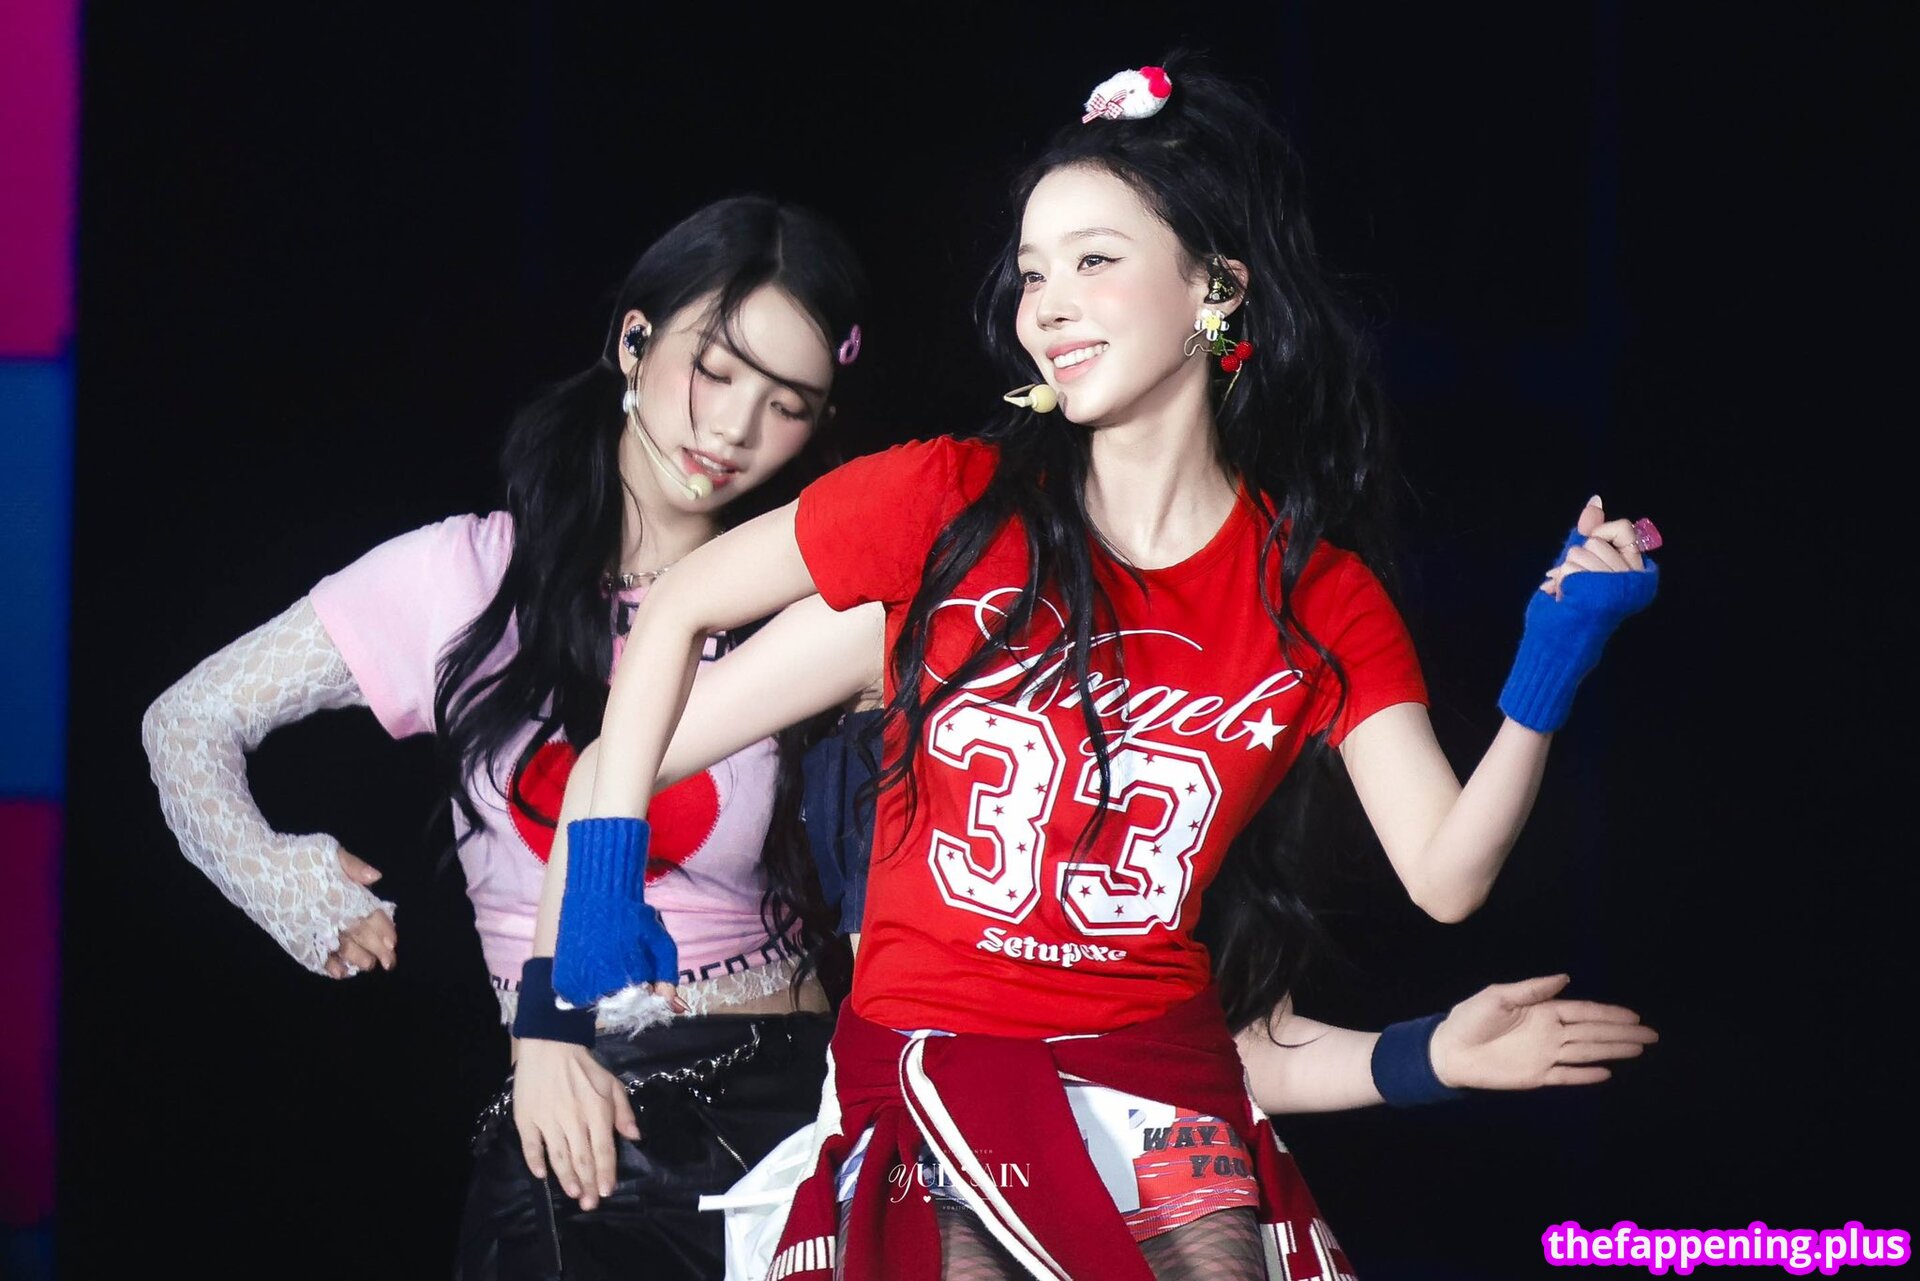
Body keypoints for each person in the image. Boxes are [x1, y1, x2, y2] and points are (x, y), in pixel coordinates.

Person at [541, 57, 1661, 1280]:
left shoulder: (1316, 596)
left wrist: (1549, 665)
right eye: (1033, 273)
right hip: (933, 1077)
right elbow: (682, 606)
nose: (1049, 307)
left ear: (1214, 290)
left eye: (1094, 261)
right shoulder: (950, 510)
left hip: (1162, 1087)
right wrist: (597, 887)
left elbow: (1445, 878)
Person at [140, 195, 870, 1280]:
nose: (733, 430)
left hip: (798, 1113)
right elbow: (185, 723)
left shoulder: (810, 594)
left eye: (788, 405)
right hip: (575, 1107)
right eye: (715, 371)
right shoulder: (464, 579)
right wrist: (281, 879)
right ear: (634, 340)